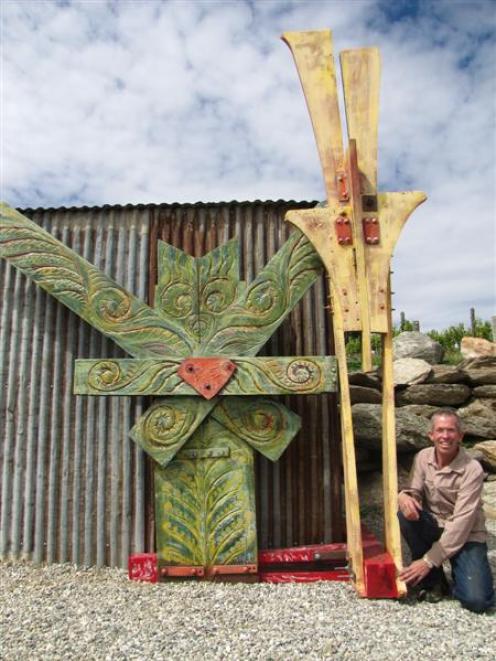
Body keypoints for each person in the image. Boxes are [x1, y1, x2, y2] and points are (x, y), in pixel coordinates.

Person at [398, 408, 494, 612]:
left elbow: (461, 523)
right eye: (440, 430)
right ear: (431, 435)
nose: (445, 436)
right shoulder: (423, 457)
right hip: (434, 525)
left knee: (477, 601)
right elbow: (413, 490)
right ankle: (434, 582)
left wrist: (428, 560)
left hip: (466, 534)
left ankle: (453, 573)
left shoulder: (472, 469)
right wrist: (404, 497)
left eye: (451, 430)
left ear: (460, 435)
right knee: (405, 515)